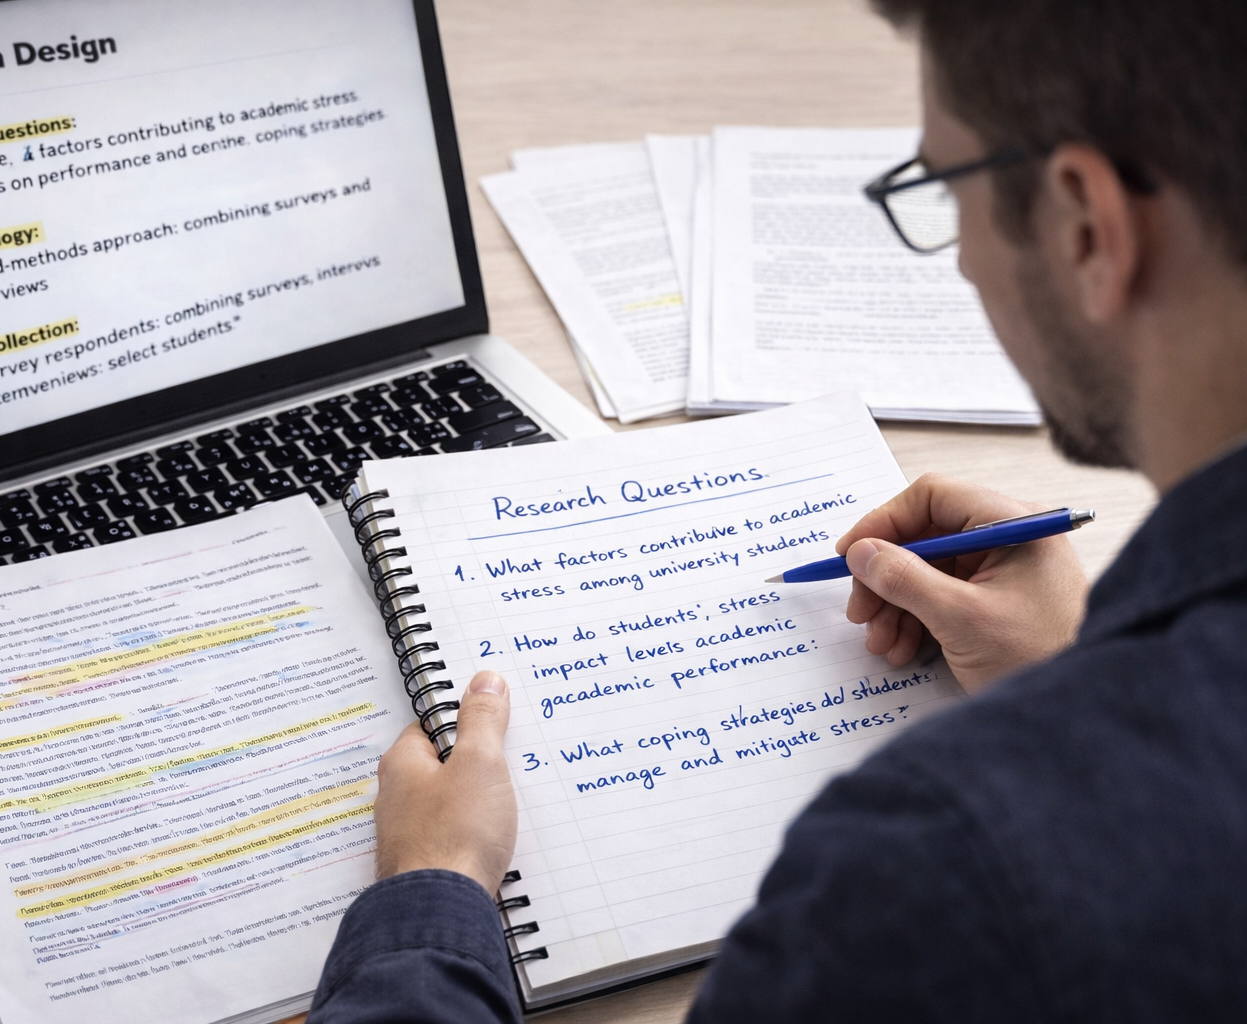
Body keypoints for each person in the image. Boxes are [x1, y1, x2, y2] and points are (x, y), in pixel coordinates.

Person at [307, 0, 1247, 1018]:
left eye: (942, 188)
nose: (966, 257)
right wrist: (1075, 676)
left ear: (1085, 226)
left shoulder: (934, 864)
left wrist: (428, 896)